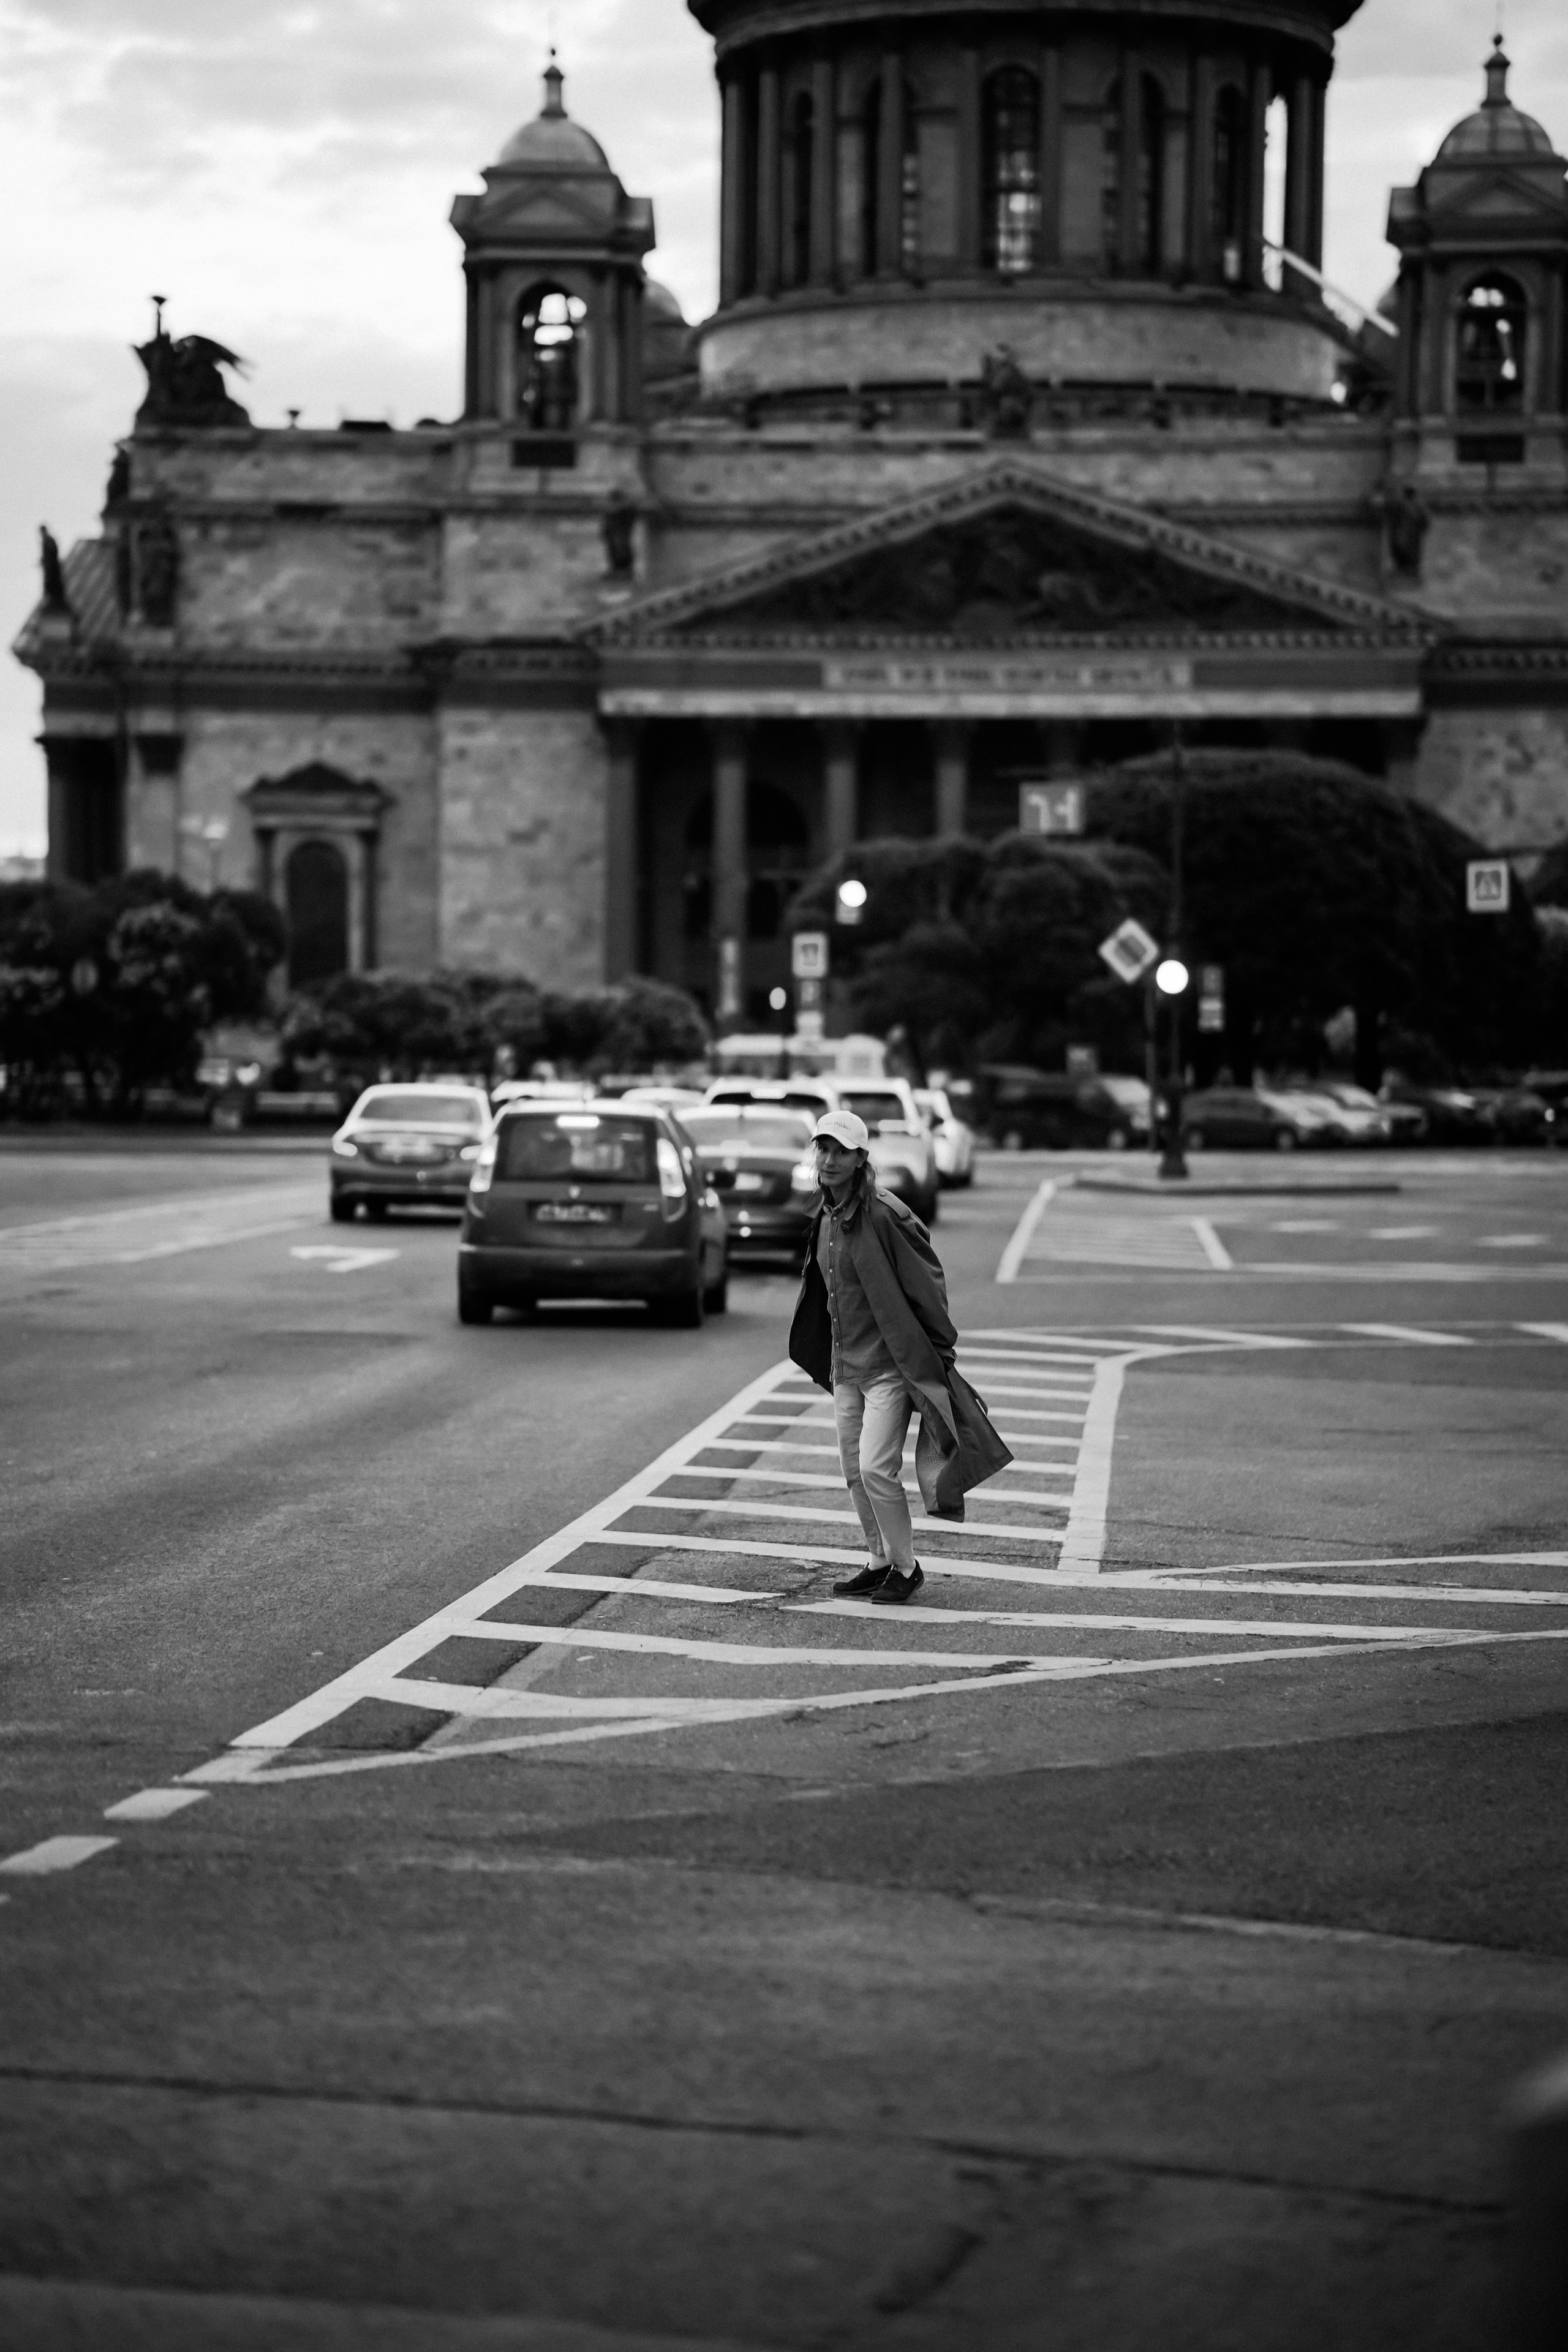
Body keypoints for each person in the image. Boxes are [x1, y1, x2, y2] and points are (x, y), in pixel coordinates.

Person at [788, 1109, 961, 1607]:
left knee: (875, 1468)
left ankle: (906, 1567)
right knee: (851, 1468)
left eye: (842, 1151)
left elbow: (926, 1279)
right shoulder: (825, 1215)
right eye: (823, 1148)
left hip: (889, 1367)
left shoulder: (884, 1214)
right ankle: (879, 1560)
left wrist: (940, 1348)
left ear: (861, 1158)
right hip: (847, 1367)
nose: (830, 1159)